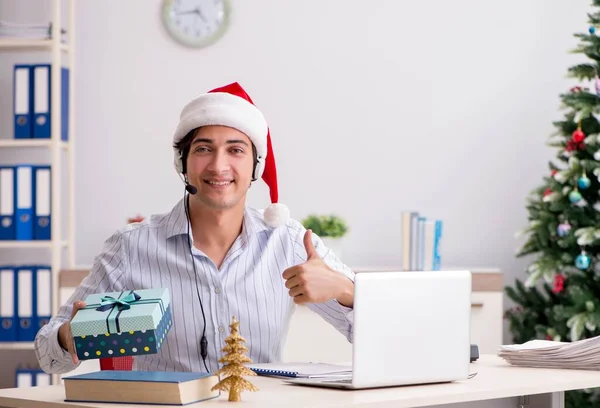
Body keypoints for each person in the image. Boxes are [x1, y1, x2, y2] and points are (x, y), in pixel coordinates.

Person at [34, 82, 355, 375]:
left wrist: (345, 290)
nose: (218, 165)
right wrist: (71, 336)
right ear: (182, 163)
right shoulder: (130, 247)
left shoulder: (290, 243)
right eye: (203, 149)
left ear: (255, 165)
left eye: (236, 150)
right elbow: (46, 351)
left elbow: (381, 332)